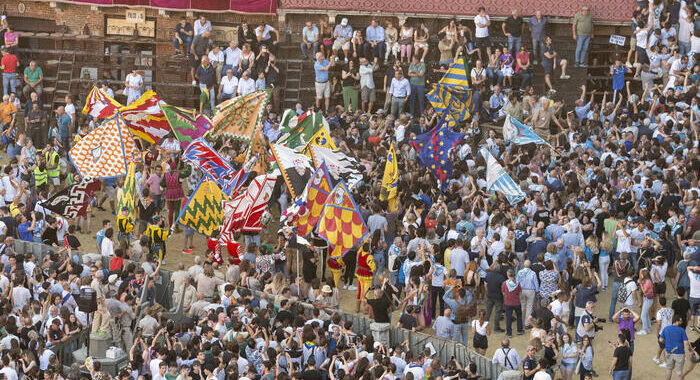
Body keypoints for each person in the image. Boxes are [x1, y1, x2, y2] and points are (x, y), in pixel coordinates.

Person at [659, 315, 690, 380]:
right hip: (679, 353)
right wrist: (690, 350)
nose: (681, 322)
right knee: (679, 372)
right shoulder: (682, 330)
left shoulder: (666, 328)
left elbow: (660, 340)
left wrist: (666, 343)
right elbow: (686, 343)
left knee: (669, 369)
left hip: (669, 352)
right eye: (680, 321)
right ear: (676, 321)